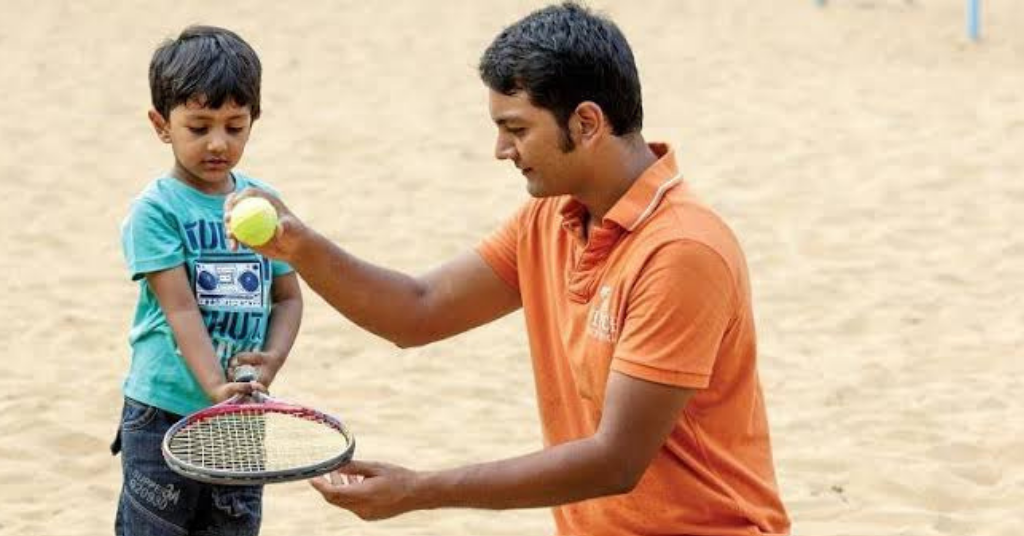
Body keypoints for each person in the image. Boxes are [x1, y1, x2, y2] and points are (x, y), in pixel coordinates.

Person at [228, 3, 789, 534]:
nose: (501, 149)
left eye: (517, 129)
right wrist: (300, 246)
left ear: (588, 121)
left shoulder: (683, 251)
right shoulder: (547, 219)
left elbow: (614, 461)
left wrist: (419, 491)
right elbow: (417, 311)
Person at [113, 25, 303, 536]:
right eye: (199, 127)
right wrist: (213, 385)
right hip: (162, 415)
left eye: (235, 126)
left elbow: (287, 296)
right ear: (161, 124)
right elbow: (180, 310)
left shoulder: (262, 203)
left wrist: (270, 364)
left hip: (240, 416)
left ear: (252, 122)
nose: (218, 143)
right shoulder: (156, 211)